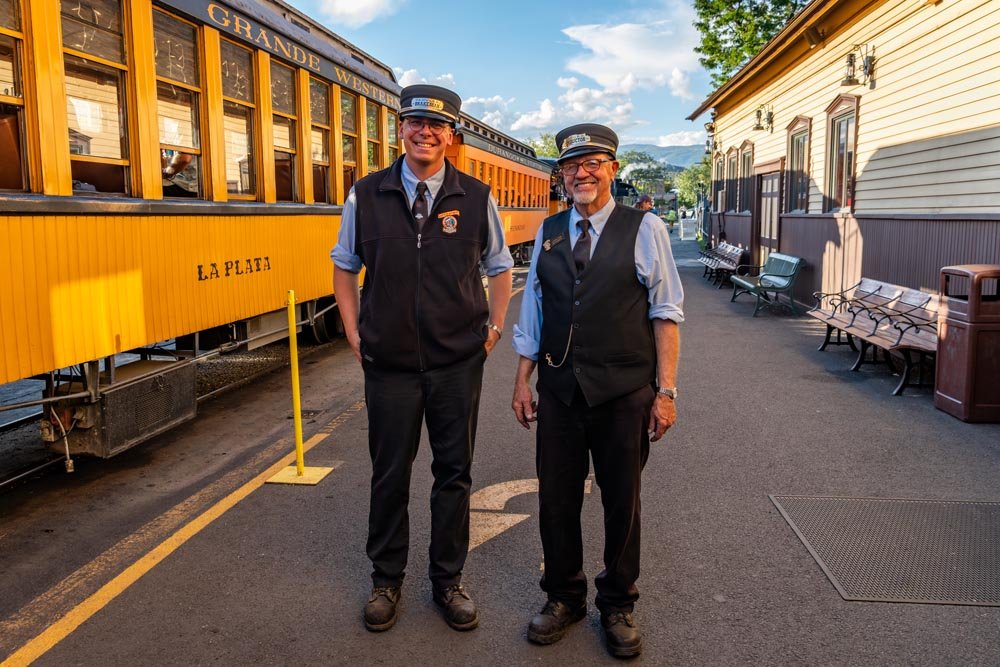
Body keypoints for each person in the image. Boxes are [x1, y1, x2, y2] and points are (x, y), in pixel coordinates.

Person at [331, 84, 513, 633]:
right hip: (388, 365)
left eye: (436, 126)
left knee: (453, 473)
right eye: (415, 123)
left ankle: (447, 581)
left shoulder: (477, 197)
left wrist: (494, 328)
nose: (425, 132)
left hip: (457, 363)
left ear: (450, 136)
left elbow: (500, 267)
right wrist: (352, 329)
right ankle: (385, 580)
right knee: (389, 473)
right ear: (401, 130)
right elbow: (345, 265)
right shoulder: (366, 195)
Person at [510, 123, 683, 658]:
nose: (581, 173)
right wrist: (522, 377)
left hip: (624, 392)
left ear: (612, 168)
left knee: (621, 502)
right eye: (571, 166)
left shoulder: (646, 228)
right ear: (561, 174)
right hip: (560, 390)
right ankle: (563, 597)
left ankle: (618, 602)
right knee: (556, 501)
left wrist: (667, 391)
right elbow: (535, 307)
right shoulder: (551, 229)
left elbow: (666, 311)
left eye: (593, 163)